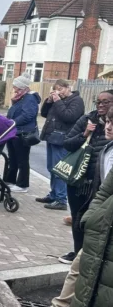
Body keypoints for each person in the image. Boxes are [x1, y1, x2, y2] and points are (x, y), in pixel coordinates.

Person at [50, 105, 113, 307]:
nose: (109, 126)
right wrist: (91, 216)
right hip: (99, 225)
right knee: (79, 269)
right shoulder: (107, 149)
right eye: (108, 121)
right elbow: (104, 189)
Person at [58, 90, 113, 264]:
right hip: (79, 180)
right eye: (99, 102)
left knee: (95, 222)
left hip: (101, 184)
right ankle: (78, 253)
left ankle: (91, 256)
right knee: (77, 217)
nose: (101, 105)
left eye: (106, 102)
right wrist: (85, 134)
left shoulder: (110, 127)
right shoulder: (87, 120)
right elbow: (67, 143)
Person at [37, 79, 85, 210]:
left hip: (64, 139)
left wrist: (57, 101)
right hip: (52, 137)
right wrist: (48, 102)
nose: (59, 92)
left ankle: (61, 199)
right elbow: (45, 114)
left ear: (68, 87)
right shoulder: (58, 101)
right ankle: (53, 194)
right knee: (51, 168)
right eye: (56, 90)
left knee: (60, 170)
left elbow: (69, 117)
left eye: (61, 89)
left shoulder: (77, 101)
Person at [5, 73, 41, 193]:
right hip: (15, 132)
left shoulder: (29, 98)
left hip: (22, 133)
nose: (14, 89)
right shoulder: (21, 98)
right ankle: (10, 180)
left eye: (16, 87)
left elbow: (28, 115)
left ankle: (22, 184)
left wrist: (13, 122)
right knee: (13, 158)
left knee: (22, 159)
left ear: (23, 88)